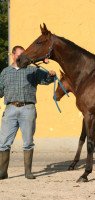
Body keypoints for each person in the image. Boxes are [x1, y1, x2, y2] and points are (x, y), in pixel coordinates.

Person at [0, 45, 56, 180]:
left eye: (23, 55)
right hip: (10, 109)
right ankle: (2, 172)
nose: (21, 58)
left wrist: (50, 75)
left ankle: (28, 172)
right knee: (3, 142)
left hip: (28, 109)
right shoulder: (5, 72)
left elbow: (47, 80)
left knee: (28, 142)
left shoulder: (32, 71)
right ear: (13, 55)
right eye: (19, 55)